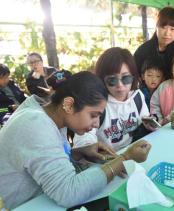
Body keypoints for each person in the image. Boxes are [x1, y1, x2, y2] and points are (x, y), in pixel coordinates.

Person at [0, 71, 151, 209]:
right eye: (93, 115)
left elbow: (40, 160)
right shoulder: (35, 125)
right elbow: (68, 193)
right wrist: (125, 158)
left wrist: (78, 153)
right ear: (69, 104)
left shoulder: (50, 114)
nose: (97, 124)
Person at [73, 48, 150, 151]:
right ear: (102, 80)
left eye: (126, 78)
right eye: (112, 80)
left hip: (134, 151)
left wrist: (153, 125)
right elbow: (83, 140)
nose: (120, 85)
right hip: (107, 160)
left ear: (134, 77)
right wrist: (90, 148)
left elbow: (144, 122)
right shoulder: (96, 104)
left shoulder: (137, 97)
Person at [134, 7, 174, 79]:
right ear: (156, 26)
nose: (167, 33)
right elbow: (135, 73)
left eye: (172, 29)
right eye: (163, 28)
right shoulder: (143, 50)